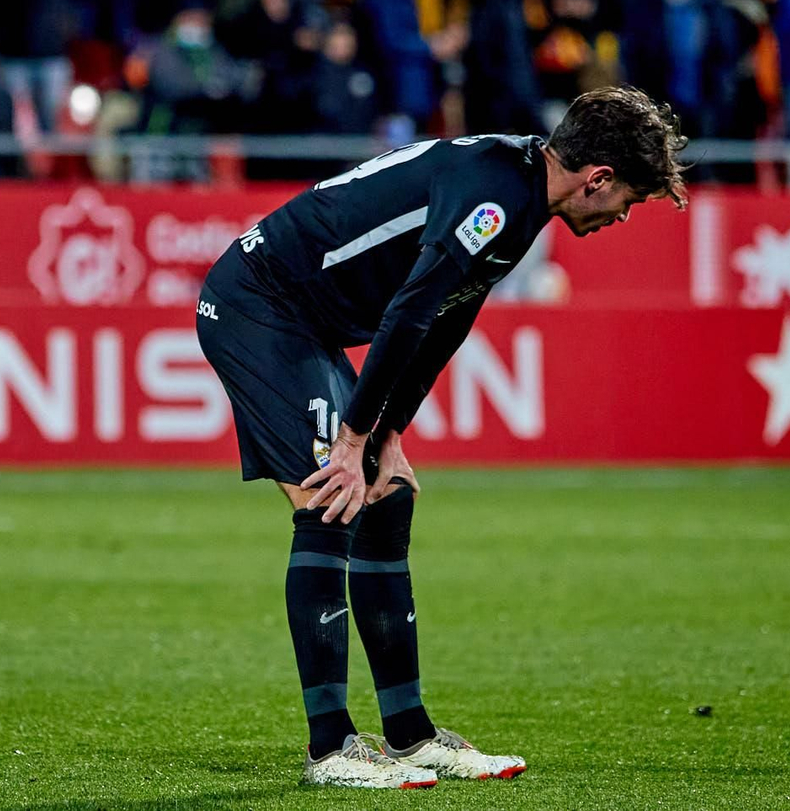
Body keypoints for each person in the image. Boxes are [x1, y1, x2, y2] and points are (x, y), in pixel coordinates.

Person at [195, 87, 688, 789]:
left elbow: (447, 317)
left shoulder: (520, 192)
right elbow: (409, 311)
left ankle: (410, 736)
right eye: (629, 199)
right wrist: (353, 437)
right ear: (598, 178)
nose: (621, 216)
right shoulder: (496, 196)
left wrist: (387, 432)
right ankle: (330, 747)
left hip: (303, 317)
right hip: (258, 304)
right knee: (330, 497)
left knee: (386, 494)